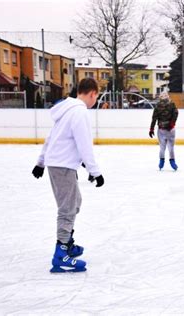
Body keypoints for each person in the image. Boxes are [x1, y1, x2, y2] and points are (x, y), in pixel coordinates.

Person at [31, 78, 104, 273]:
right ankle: (61, 254)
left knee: (75, 202)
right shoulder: (79, 112)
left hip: (58, 164)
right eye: (96, 97)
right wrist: (94, 172)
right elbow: (84, 144)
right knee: (67, 209)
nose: (95, 101)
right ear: (92, 94)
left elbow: (51, 138)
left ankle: (67, 245)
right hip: (62, 166)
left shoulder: (66, 109)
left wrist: (41, 162)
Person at [149, 91, 179, 171]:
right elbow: (175, 113)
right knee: (169, 148)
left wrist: (151, 129)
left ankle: (164, 161)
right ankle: (168, 161)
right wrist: (151, 128)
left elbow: (154, 118)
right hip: (166, 129)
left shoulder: (162, 105)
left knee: (164, 147)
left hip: (167, 129)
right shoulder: (170, 104)